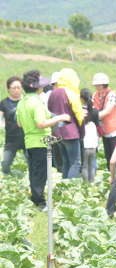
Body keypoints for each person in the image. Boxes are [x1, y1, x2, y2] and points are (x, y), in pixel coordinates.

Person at [15, 71, 71, 210]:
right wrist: (60, 117)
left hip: (29, 141)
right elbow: (41, 123)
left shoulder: (22, 102)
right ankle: (40, 203)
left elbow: (19, 124)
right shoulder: (37, 102)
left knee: (34, 172)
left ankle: (35, 199)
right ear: (37, 88)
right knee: (40, 173)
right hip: (41, 141)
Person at [47, 68, 85, 179]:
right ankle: (69, 188)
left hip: (57, 133)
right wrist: (82, 133)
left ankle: (64, 187)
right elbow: (79, 115)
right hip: (70, 133)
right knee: (76, 163)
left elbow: (49, 110)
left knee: (66, 162)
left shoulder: (53, 93)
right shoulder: (71, 93)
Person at [92, 73, 116, 166]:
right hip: (104, 130)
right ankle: (112, 176)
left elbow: (107, 111)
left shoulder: (112, 94)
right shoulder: (95, 95)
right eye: (96, 85)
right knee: (108, 155)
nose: (98, 87)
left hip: (114, 130)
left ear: (105, 84)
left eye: (100, 85)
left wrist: (92, 117)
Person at [1, 76, 25, 175]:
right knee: (5, 164)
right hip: (11, 138)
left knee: (31, 162)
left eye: (18, 87)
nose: (16, 90)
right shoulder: (4, 103)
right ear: (8, 89)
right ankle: (8, 177)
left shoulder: (26, 100)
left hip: (26, 136)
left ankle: (32, 180)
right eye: (13, 88)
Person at [80, 88, 100, 183]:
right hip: (93, 142)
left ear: (81, 99)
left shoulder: (80, 111)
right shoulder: (95, 111)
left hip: (84, 143)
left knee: (84, 166)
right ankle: (92, 182)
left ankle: (85, 182)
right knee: (92, 164)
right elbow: (98, 126)